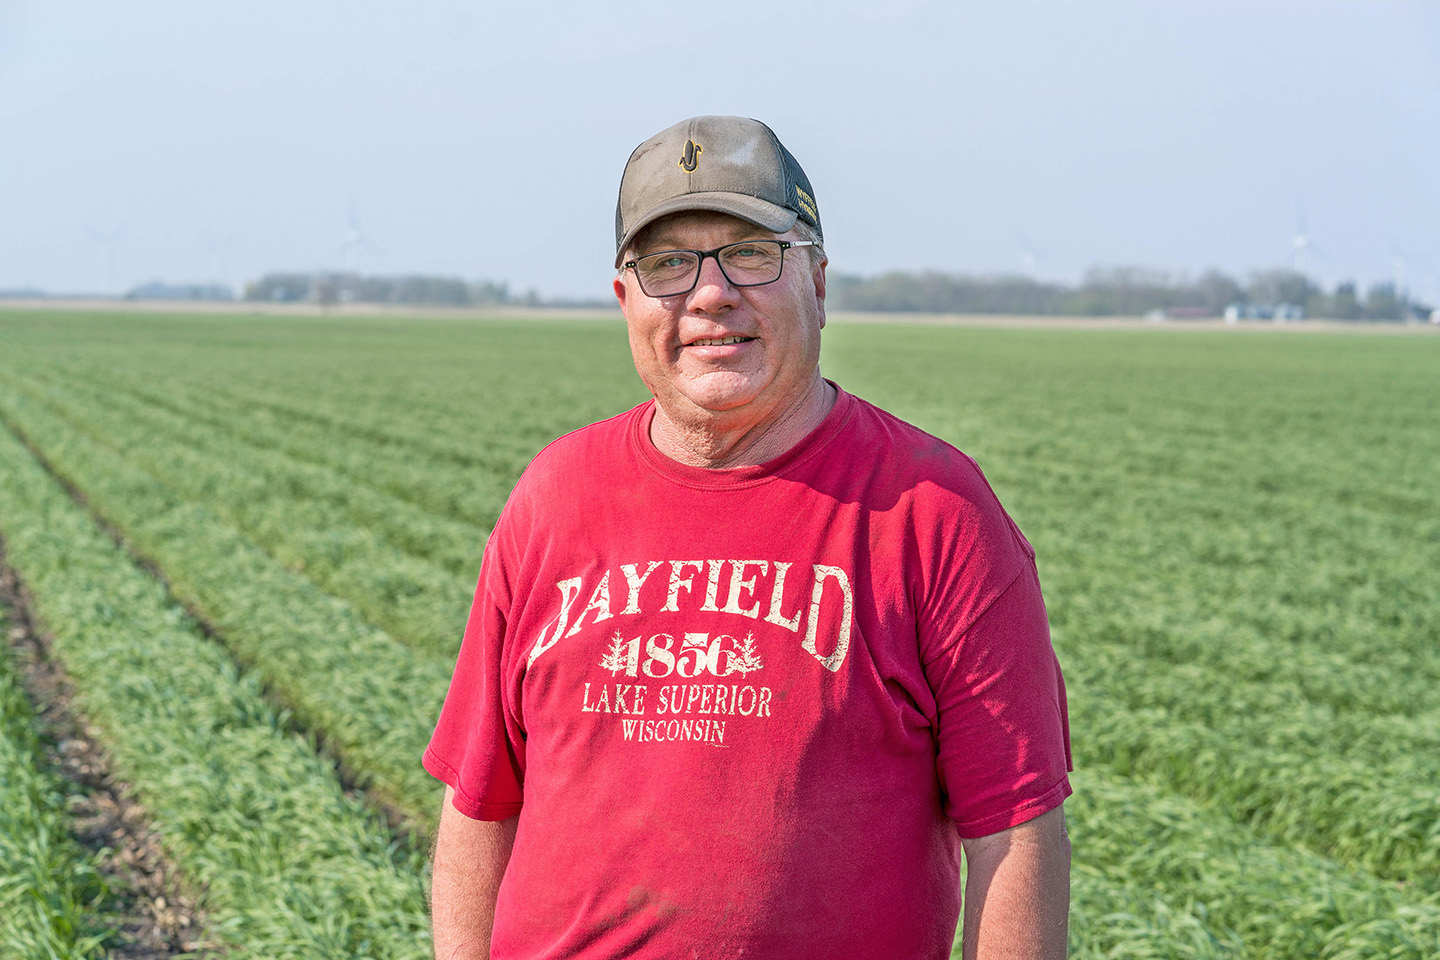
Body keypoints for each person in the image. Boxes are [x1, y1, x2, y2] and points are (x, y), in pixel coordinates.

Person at [425, 115, 1072, 960]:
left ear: (820, 282)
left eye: (751, 253)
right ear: (627, 300)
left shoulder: (933, 511)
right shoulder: (554, 496)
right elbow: (481, 804)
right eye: (668, 265)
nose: (709, 295)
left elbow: (1014, 833)